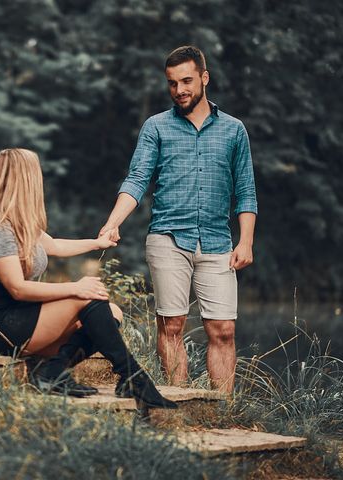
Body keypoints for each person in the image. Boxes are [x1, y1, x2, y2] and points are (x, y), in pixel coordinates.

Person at [0, 148, 177, 408]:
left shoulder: (21, 223)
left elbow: (56, 246)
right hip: (0, 330)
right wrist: (75, 287)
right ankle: (134, 378)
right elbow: (17, 289)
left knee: (113, 312)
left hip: (24, 321)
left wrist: (98, 243)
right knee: (86, 299)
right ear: (25, 180)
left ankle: (53, 371)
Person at [100, 46, 258, 394]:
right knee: (171, 325)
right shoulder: (156, 127)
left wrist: (245, 241)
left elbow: (246, 191)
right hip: (168, 239)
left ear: (204, 78)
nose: (179, 90)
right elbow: (137, 179)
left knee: (223, 330)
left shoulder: (234, 131)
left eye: (186, 81)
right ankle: (178, 403)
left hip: (218, 242)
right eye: (172, 83)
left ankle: (222, 408)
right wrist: (113, 222)